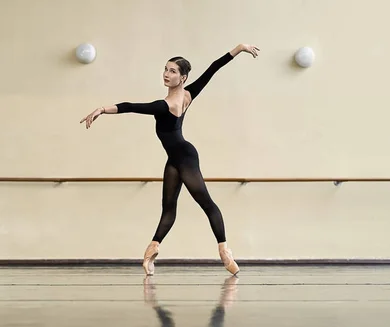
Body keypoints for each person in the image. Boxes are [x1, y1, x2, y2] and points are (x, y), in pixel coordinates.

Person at [80, 43, 260, 276]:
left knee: (206, 204)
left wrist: (102, 109)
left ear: (183, 77)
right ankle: (151, 252)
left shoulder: (164, 106)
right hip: (174, 159)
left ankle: (225, 252)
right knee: (168, 209)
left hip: (185, 157)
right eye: (166, 69)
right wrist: (239, 48)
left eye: (173, 71)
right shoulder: (188, 94)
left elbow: (131, 106)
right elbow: (214, 68)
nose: (166, 74)